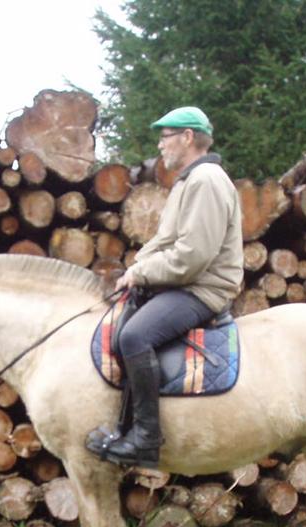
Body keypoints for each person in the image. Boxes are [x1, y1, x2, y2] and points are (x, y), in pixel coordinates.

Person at [87, 105, 244, 468]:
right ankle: (124, 426)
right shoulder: (189, 181)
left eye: (166, 136)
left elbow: (193, 256)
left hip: (202, 290)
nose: (160, 145)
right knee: (124, 321)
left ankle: (146, 438)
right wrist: (138, 266)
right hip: (186, 283)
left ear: (188, 138)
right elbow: (165, 240)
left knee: (134, 337)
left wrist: (142, 275)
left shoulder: (206, 180)